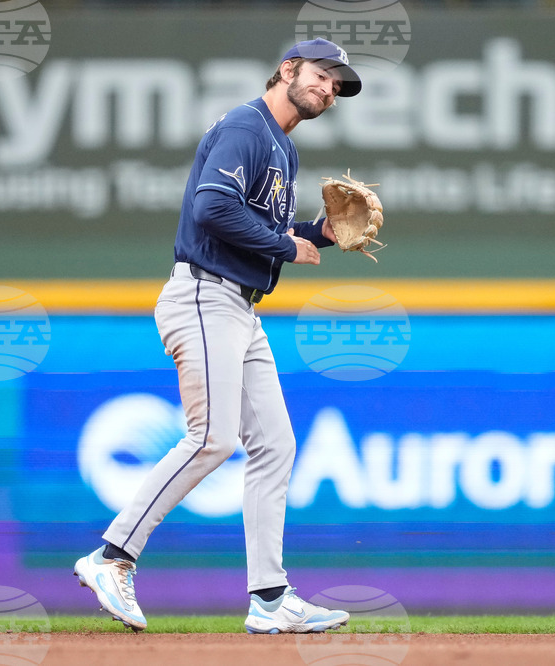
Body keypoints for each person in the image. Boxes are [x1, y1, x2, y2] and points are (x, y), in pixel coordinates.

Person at [73, 38, 361, 634]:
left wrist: (321, 232)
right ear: (288, 69)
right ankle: (111, 557)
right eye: (322, 75)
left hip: (239, 307)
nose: (329, 89)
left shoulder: (281, 148)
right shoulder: (247, 127)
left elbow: (254, 225)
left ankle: (270, 597)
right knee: (211, 438)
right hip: (205, 295)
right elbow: (211, 209)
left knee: (275, 446)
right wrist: (287, 244)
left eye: (337, 85)